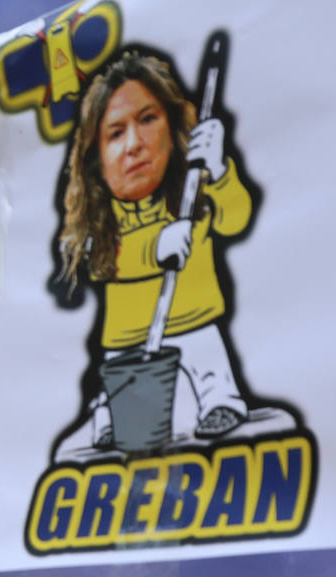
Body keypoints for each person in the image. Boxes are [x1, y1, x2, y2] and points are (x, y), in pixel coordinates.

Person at [54, 49, 255, 454]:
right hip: (128, 337)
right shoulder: (100, 216)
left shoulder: (193, 191)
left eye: (148, 119)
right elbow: (99, 261)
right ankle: (108, 413)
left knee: (210, 364)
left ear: (174, 124)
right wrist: (154, 249)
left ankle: (220, 400)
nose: (134, 145)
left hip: (196, 320)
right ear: (95, 156)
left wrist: (218, 171)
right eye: (115, 133)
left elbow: (235, 221)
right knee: (121, 392)